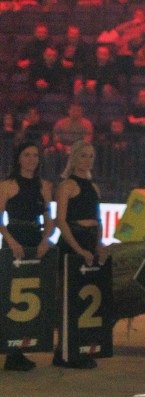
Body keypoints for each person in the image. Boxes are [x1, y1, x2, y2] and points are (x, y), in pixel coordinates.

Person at [52, 140, 105, 370]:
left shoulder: (94, 187)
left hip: (89, 242)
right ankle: (64, 351)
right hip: (73, 243)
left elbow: (98, 219)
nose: (88, 160)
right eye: (83, 155)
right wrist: (78, 249)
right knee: (68, 299)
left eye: (91, 156)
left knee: (84, 299)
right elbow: (61, 221)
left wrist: (99, 243)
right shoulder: (66, 186)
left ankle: (77, 348)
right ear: (74, 158)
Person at [1, 142, 54, 371]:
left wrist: (45, 239)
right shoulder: (7, 185)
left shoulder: (44, 186)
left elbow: (49, 219)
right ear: (18, 158)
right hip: (15, 240)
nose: (32, 159)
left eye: (35, 155)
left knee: (32, 292)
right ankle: (12, 351)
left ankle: (22, 348)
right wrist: (11, 241)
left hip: (35, 239)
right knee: (13, 294)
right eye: (27, 155)